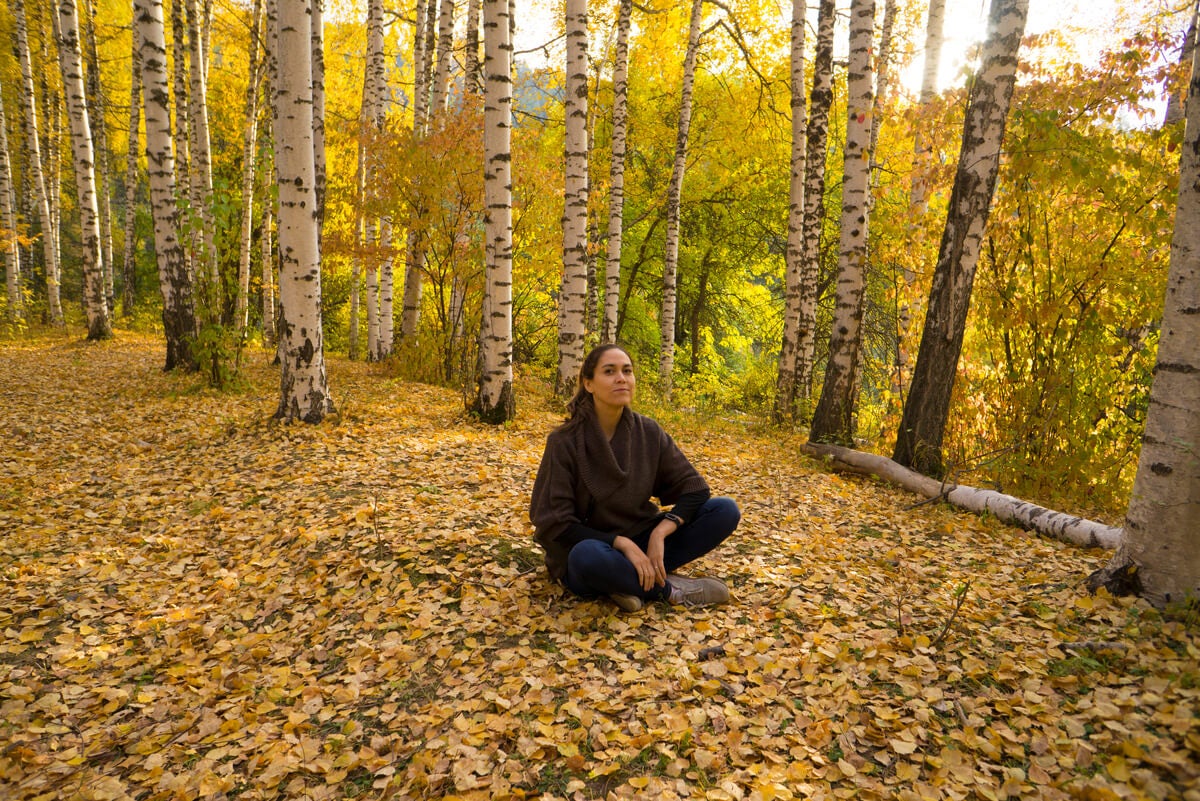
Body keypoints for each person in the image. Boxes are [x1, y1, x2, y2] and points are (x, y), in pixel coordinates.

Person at [529, 344, 740, 612]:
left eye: (627, 371)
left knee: (724, 510)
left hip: (642, 538)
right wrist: (621, 543)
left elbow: (695, 488)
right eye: (609, 371)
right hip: (587, 550)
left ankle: (624, 584)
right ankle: (670, 590)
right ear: (589, 384)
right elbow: (557, 523)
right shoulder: (564, 442)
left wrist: (662, 531)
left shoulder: (647, 431)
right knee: (588, 556)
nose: (621, 378)